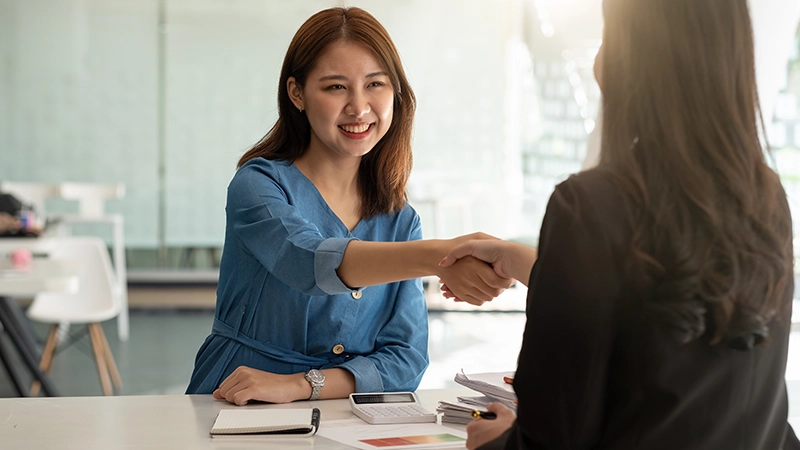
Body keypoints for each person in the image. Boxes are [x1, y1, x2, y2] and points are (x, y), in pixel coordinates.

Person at [441, 0, 799, 448]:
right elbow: (664, 317)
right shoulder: (764, 197)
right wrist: (529, 262)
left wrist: (495, 442)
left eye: (609, 37)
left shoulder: (592, 205)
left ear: (639, 58)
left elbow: (552, 433)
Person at [186, 6, 511, 406]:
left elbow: (406, 360)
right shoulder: (257, 185)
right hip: (236, 403)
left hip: (345, 417)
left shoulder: (400, 220)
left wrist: (303, 384)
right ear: (297, 94)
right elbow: (306, 261)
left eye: (375, 84)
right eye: (336, 87)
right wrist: (443, 256)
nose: (359, 108)